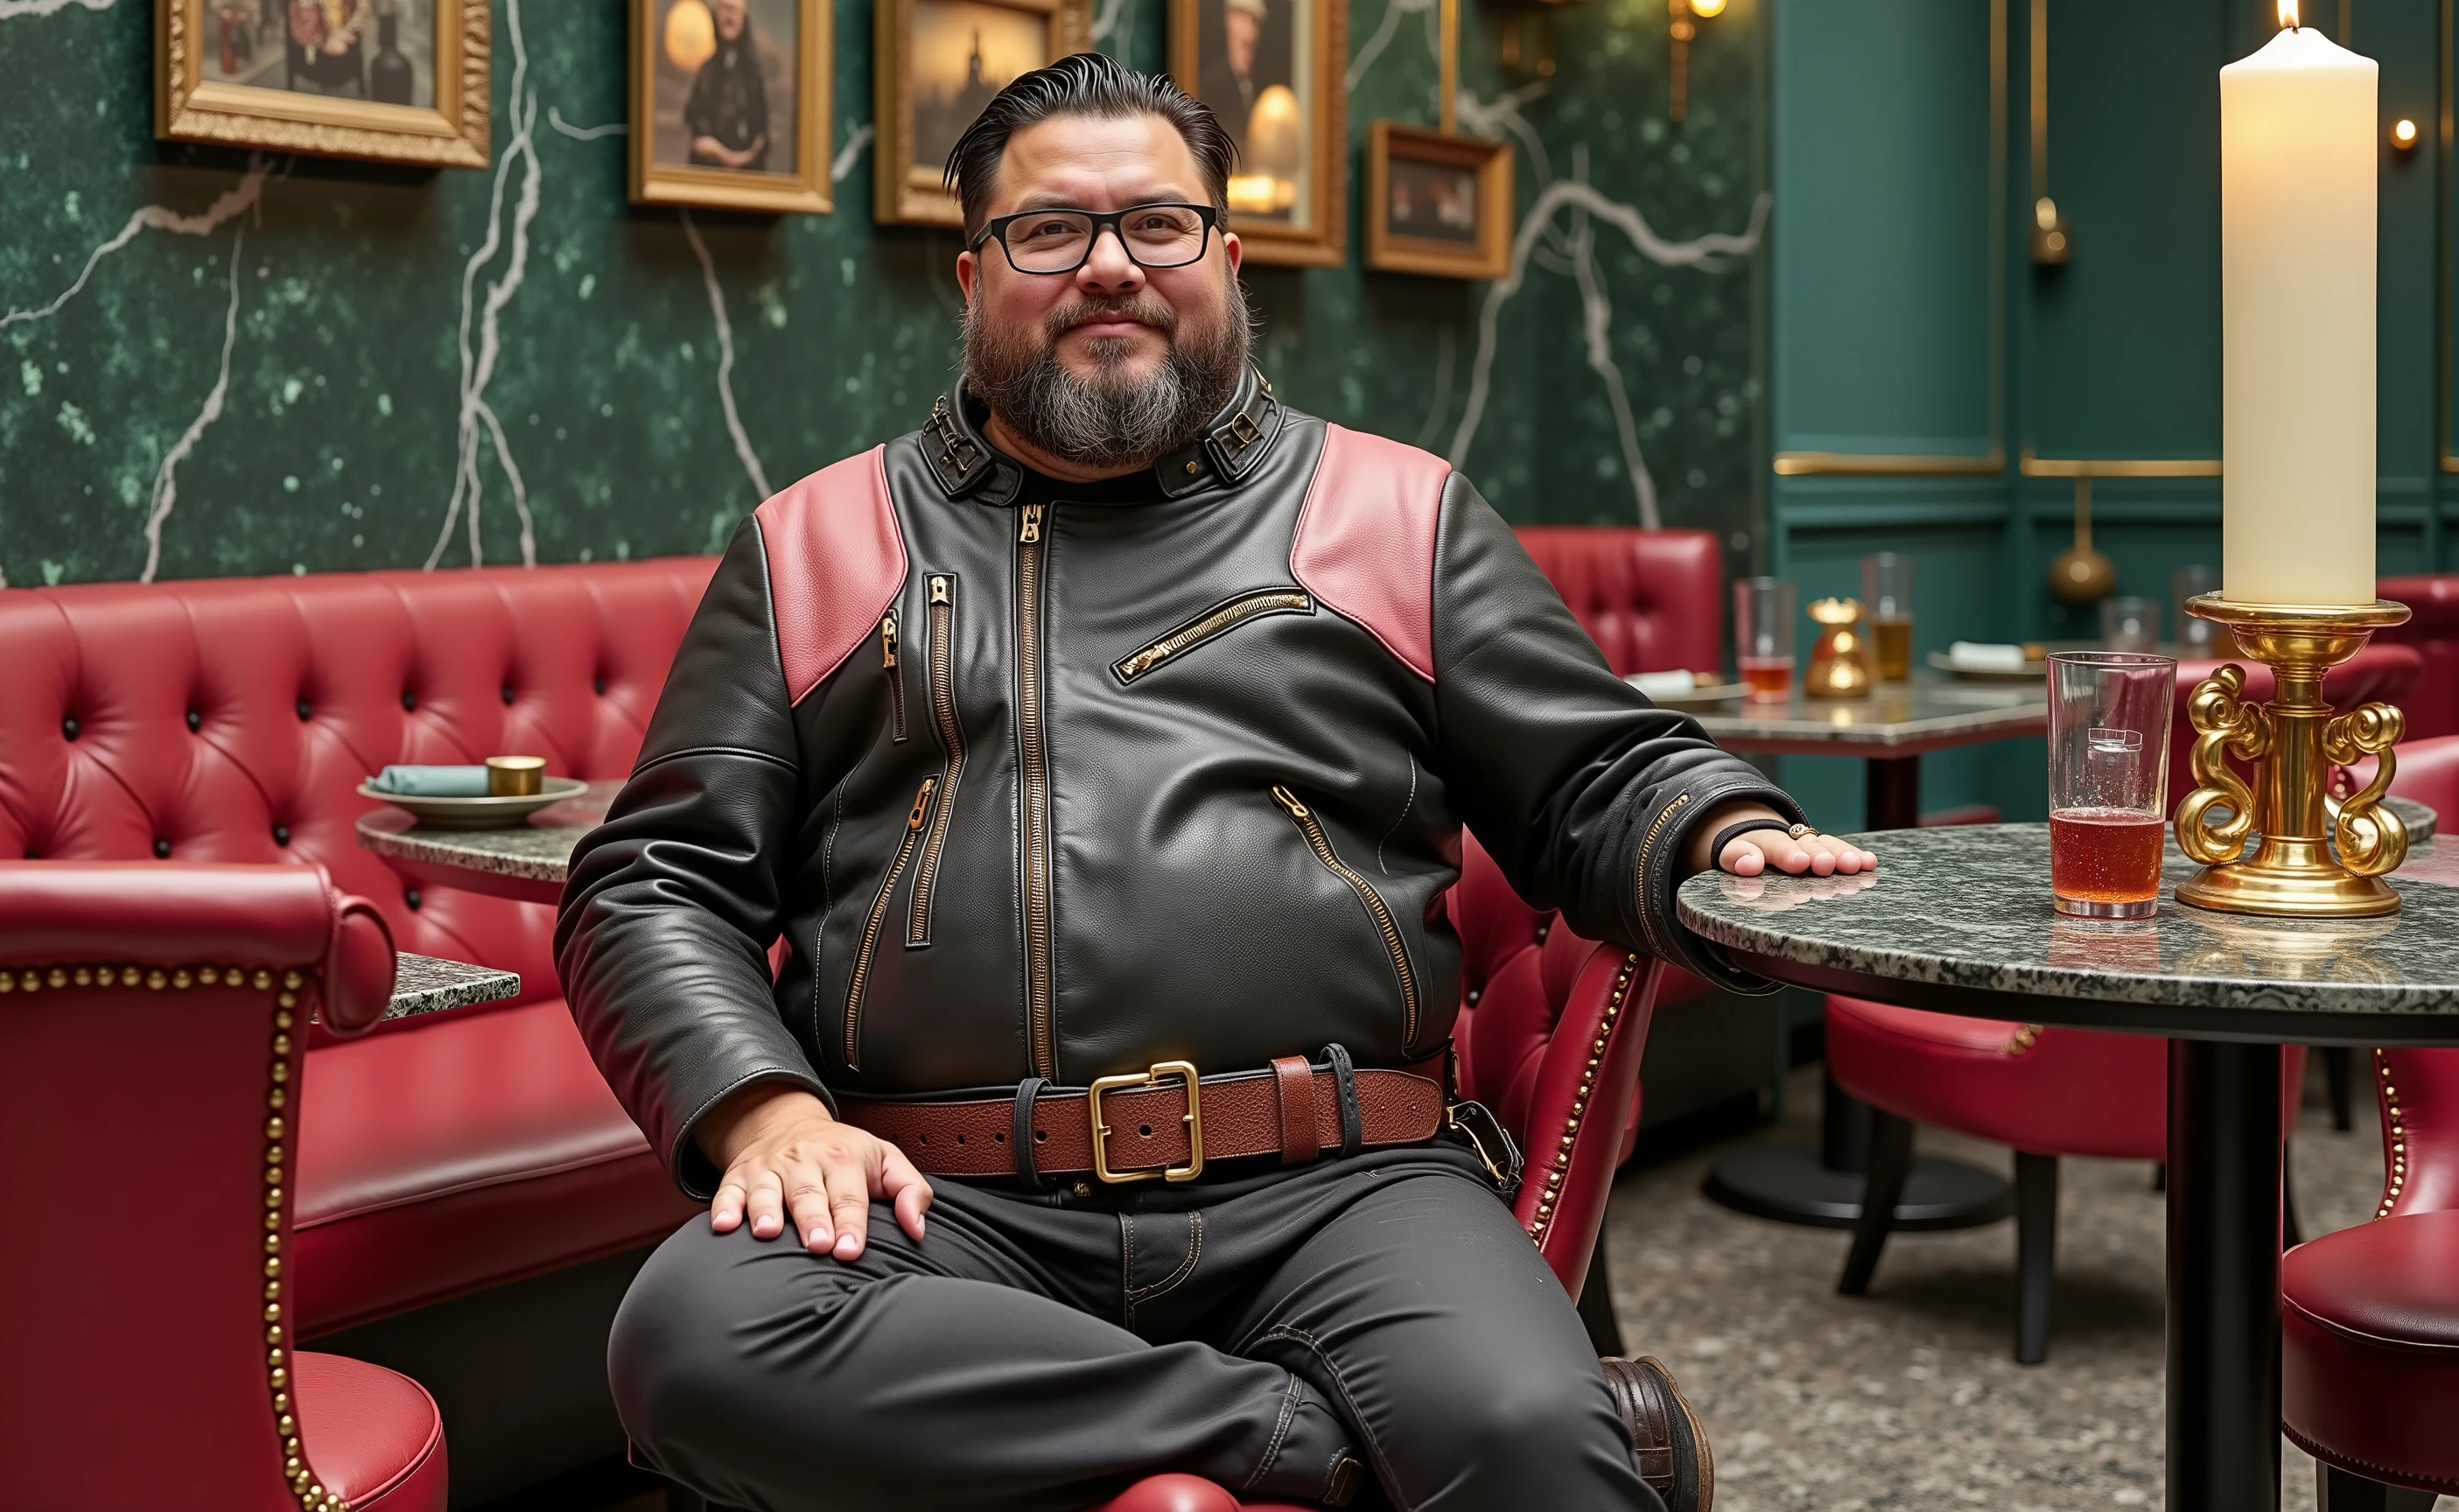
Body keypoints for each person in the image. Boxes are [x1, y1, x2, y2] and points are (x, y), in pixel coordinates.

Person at [559, 52, 1874, 1512]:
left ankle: (1423, 1424)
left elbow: (1598, 771)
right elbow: (651, 878)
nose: (1109, 267)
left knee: (1524, 1431)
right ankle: (1314, 1443)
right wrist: (764, 1112)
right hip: (943, 1201)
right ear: (972, 273)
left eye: (1157, 225)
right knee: (692, 1336)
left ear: (1226, 258)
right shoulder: (814, 544)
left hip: (1341, 1180)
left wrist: (1719, 824)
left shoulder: (1396, 513)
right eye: (1049, 230)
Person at [683, 0, 768, 172]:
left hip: (746, 174)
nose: (729, 16)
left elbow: (761, 130)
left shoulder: (753, 74)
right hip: (707, 172)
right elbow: (695, 120)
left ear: (744, 19)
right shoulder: (706, 71)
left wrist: (741, 158)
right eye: (724, 9)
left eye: (734, 10)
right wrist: (716, 151)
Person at [1196, 0, 1268, 155]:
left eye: (1254, 22)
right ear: (1227, 21)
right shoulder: (1211, 86)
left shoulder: (1263, 88)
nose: (1250, 34)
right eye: (1241, 19)